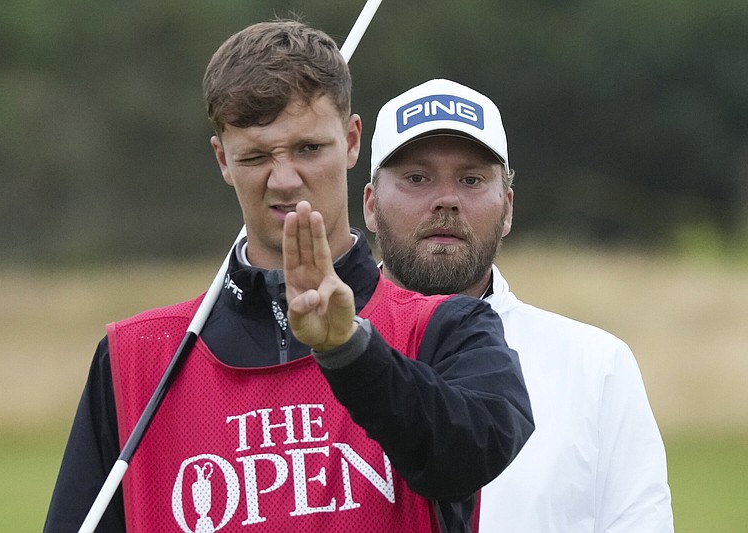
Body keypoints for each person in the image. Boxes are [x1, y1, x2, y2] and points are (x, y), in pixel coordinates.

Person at [43, 24, 534, 533]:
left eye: (307, 149)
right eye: (256, 156)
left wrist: (350, 352)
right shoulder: (137, 358)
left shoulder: (447, 327)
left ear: (350, 142)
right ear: (222, 160)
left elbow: (473, 453)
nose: (283, 179)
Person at [363, 78, 674, 532]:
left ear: (507, 208)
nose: (446, 200)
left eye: (471, 180)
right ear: (371, 205)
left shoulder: (596, 365)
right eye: (417, 178)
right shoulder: (320, 357)